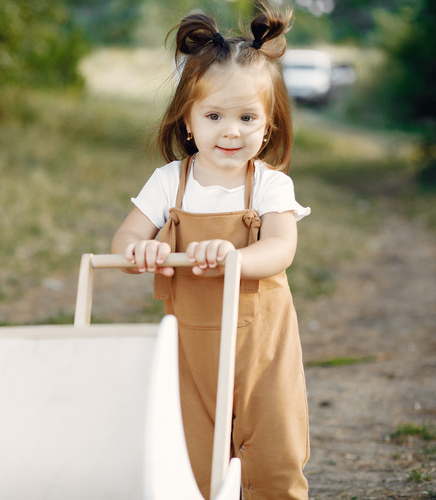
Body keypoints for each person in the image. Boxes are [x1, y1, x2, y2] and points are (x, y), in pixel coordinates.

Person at [111, 1, 310, 498]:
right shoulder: (169, 184)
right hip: (190, 349)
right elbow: (125, 240)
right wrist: (145, 251)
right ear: (188, 120)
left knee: (274, 453)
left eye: (247, 117)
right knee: (194, 460)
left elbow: (281, 247)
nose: (231, 130)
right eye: (215, 115)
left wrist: (236, 258)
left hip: (261, 347)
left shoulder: (266, 185)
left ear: (268, 127)